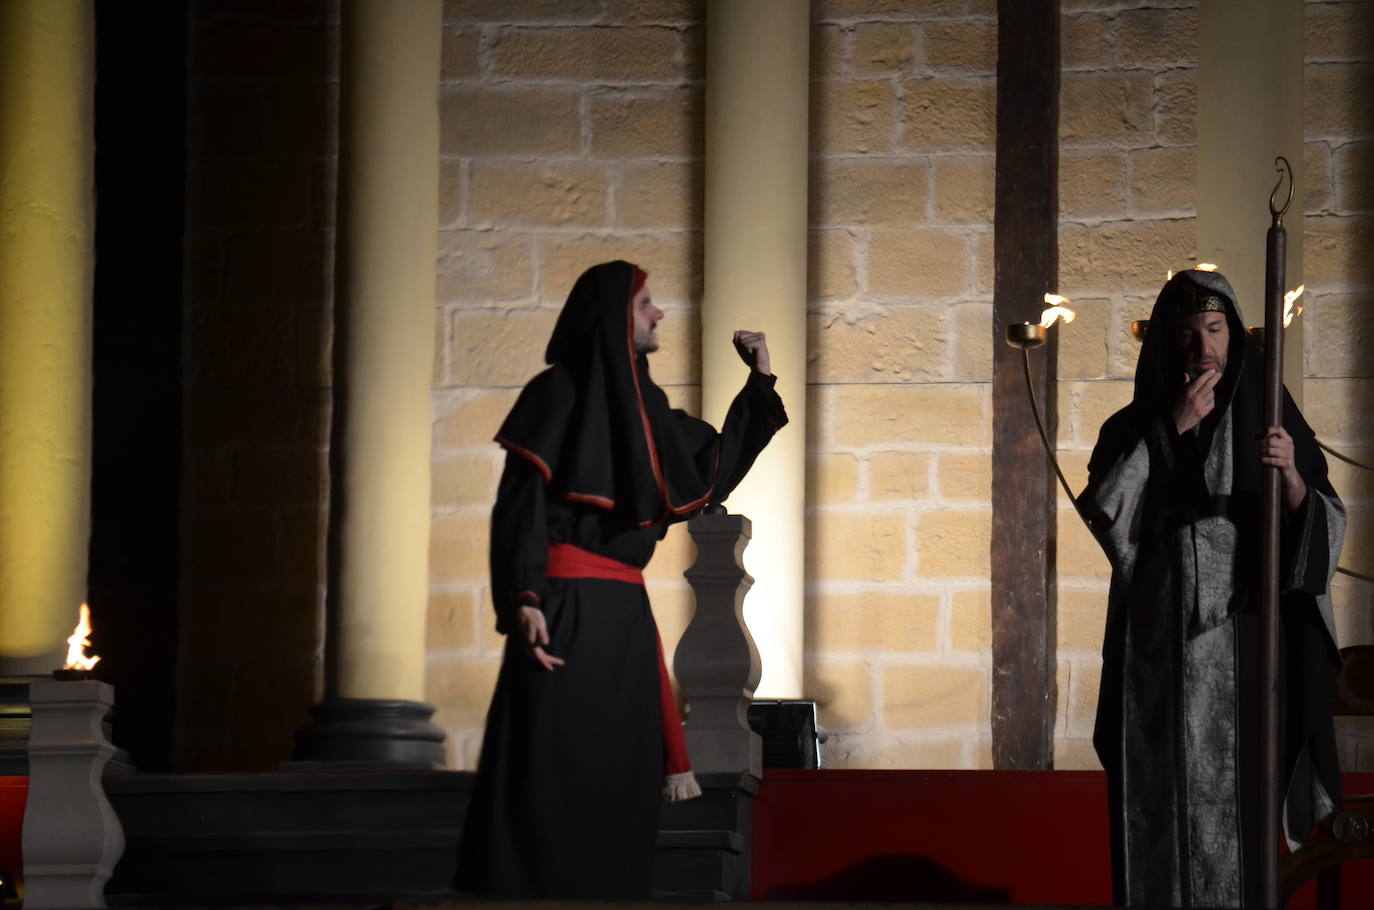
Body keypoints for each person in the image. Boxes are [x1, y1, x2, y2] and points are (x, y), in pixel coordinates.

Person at [455, 260, 787, 899]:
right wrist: (523, 596)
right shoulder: (556, 394)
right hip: (563, 605)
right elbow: (519, 505)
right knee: (554, 765)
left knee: (625, 771)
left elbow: (711, 469)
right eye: (645, 305)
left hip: (625, 616)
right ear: (613, 317)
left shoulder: (649, 407)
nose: (657, 314)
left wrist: (762, 377)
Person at [1080, 268, 1345, 908]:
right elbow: (1110, 517)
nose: (1204, 346)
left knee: (1243, 814)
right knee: (1162, 814)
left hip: (1246, 650)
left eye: (1216, 328)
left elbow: (1325, 529)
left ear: (1234, 334)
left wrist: (1290, 482)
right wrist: (1167, 428)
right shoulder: (1134, 424)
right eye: (1191, 331)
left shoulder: (1271, 413)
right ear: (1169, 342)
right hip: (1161, 656)